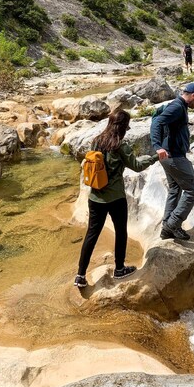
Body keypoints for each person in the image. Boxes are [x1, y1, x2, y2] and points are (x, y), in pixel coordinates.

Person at [74, 110, 158, 288]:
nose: (128, 128)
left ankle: (80, 275)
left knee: (91, 234)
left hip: (95, 196)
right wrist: (155, 157)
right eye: (127, 125)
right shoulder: (120, 145)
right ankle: (119, 269)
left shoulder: (96, 141)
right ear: (123, 126)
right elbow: (136, 166)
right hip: (115, 198)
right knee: (121, 231)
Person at [150, 82, 194, 240]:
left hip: (169, 156)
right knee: (193, 190)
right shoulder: (177, 107)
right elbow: (157, 122)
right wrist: (157, 146)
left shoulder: (179, 106)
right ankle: (172, 224)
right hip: (173, 157)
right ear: (193, 96)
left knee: (175, 189)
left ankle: (167, 228)